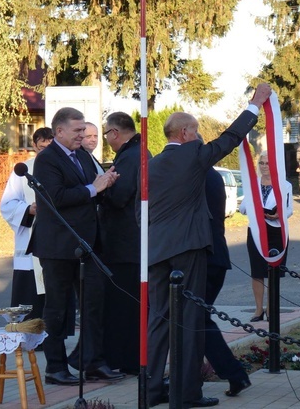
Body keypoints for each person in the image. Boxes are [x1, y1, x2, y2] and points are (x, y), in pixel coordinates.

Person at [145, 83, 272, 408]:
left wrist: (151, 242)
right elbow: (230, 139)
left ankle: (152, 388)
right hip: (188, 251)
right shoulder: (194, 156)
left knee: (158, 320)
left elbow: (139, 210)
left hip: (156, 251)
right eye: (197, 131)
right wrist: (254, 105)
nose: (200, 136)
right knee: (189, 320)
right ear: (186, 132)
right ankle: (186, 394)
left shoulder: (151, 166)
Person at [27, 107, 122, 386]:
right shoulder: (46, 160)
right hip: (56, 246)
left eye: (84, 130)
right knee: (58, 308)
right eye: (78, 130)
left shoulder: (82, 155)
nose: (83, 135)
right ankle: (55, 368)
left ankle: (92, 362)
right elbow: (55, 197)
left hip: (86, 244)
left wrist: (105, 184)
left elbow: (93, 188)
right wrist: (95, 188)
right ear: (59, 131)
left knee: (94, 304)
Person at [99, 112, 149, 375]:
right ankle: (130, 359)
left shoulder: (131, 157)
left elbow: (119, 197)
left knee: (123, 308)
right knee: (131, 308)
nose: (107, 139)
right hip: (134, 243)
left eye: (107, 134)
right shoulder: (139, 153)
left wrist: (103, 187)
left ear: (115, 133)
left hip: (125, 245)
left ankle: (124, 360)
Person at [204, 153, 252, 397]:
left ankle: (234, 374)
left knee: (198, 319)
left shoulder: (200, 176)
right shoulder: (212, 175)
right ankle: (233, 375)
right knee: (198, 320)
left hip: (206, 258)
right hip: (215, 256)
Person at [0, 127, 54, 321]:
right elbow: (7, 204)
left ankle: (53, 338)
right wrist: (27, 210)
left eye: (50, 146)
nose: (46, 151)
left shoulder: (61, 168)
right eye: (42, 147)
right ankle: (30, 336)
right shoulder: (23, 171)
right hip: (31, 244)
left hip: (57, 243)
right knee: (30, 294)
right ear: (34, 146)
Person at [238, 150, 294, 322]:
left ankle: (271, 310)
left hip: (276, 231)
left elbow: (289, 209)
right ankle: (258, 309)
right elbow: (242, 208)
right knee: (257, 271)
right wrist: (254, 209)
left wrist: (279, 214)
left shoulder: (284, 185)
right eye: (261, 163)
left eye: (267, 163)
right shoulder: (252, 183)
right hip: (256, 230)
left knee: (273, 272)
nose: (264, 167)